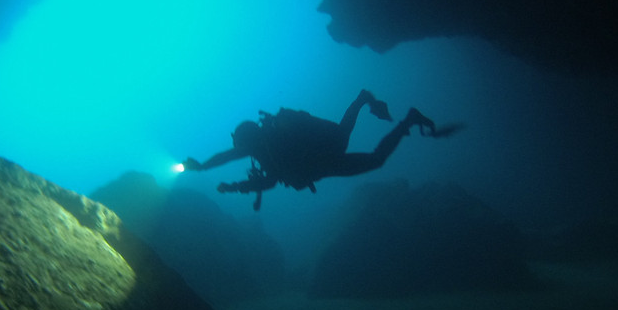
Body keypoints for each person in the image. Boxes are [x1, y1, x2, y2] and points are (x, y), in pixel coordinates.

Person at [181, 89, 463, 210]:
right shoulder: (263, 148)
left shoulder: (264, 144)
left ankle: (402, 117)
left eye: (241, 144)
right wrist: (232, 185)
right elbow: (267, 179)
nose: (239, 150)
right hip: (323, 161)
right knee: (346, 135)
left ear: (248, 138)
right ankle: (376, 106)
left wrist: (206, 167)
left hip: (324, 158)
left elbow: (235, 159)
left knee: (363, 150)